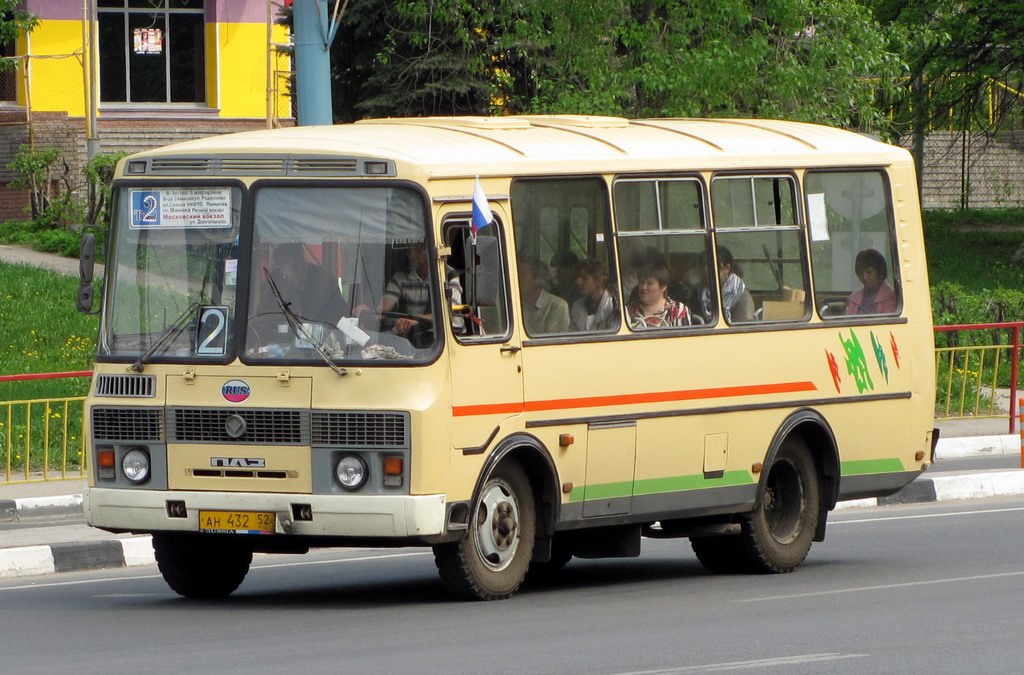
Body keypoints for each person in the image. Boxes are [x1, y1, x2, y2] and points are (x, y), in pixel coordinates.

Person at [377, 241, 463, 338]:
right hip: (417, 336)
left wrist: (417, 319)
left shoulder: (449, 276)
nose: (411, 254)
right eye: (409, 250)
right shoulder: (401, 278)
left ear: (432, 251)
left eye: (418, 249)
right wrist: (365, 312)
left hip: (450, 336)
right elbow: (382, 311)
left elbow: (450, 310)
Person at [626, 264, 690, 329]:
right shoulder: (628, 310)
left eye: (650, 283)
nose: (644, 287)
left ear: (663, 286)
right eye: (641, 282)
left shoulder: (678, 310)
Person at [518, 256, 570, 334]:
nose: (517, 278)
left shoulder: (557, 306)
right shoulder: (516, 305)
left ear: (538, 280)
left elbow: (551, 342)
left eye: (522, 275)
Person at [703, 246, 754, 323]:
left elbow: (742, 329)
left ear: (726, 268)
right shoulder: (700, 292)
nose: (706, 269)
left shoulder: (742, 297)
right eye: (704, 265)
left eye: (711, 266)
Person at [570, 258, 617, 332]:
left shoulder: (613, 308)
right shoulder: (577, 306)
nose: (578, 281)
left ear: (599, 280)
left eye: (584, 278)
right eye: (578, 277)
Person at [847, 248, 897, 315]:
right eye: (861, 273)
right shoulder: (853, 298)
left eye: (869, 272)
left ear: (879, 272)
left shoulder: (892, 297)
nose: (865, 277)